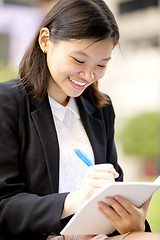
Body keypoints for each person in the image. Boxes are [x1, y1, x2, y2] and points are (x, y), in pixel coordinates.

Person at [0, 0, 151, 239]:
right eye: (79, 60)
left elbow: (113, 187)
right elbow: (4, 205)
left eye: (101, 64)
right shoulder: (7, 103)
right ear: (45, 41)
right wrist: (75, 200)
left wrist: (133, 219)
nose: (89, 75)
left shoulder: (100, 109)